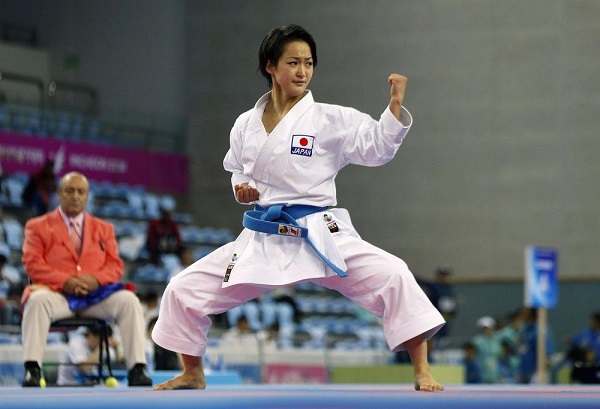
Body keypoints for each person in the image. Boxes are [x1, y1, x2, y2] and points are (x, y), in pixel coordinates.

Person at [151, 24, 445, 392]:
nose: (303, 71)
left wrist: (393, 113)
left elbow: (375, 148)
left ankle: (421, 369)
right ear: (270, 66)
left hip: (320, 230)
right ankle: (193, 372)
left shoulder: (328, 119)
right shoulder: (245, 124)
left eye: (308, 63)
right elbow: (237, 167)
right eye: (293, 62)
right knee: (182, 288)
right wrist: (242, 187)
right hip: (265, 236)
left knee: (395, 274)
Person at [20, 171, 152, 387]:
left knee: (129, 301)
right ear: (59, 193)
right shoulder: (37, 226)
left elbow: (115, 266)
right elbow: (33, 264)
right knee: (37, 301)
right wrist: (66, 281)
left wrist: (94, 280)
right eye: (69, 191)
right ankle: (32, 369)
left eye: (81, 192)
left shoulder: (104, 228)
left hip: (95, 297)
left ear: (87, 196)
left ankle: (137, 368)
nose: (75, 196)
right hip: (57, 295)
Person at [56, 324, 123, 386]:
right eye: (100, 339)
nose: (101, 342)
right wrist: (101, 348)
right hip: (67, 386)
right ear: (90, 335)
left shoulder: (104, 348)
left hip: (90, 386)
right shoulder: (76, 344)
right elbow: (84, 368)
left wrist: (116, 348)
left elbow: (119, 362)